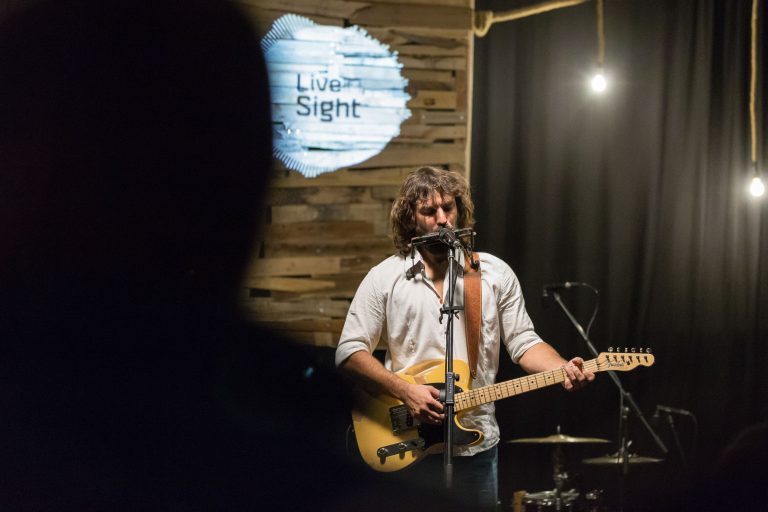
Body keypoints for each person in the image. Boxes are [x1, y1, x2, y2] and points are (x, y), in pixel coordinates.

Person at [335, 166, 595, 510]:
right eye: (429, 211)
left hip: (476, 446)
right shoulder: (384, 278)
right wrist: (405, 391)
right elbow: (349, 352)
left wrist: (561, 368)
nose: (443, 219)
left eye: (449, 207)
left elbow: (524, 342)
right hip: (405, 443)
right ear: (410, 219)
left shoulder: (493, 275)